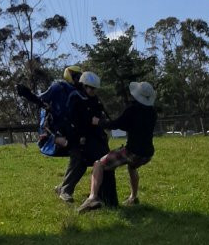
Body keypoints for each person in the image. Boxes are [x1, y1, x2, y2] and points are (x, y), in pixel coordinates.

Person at [78, 81, 158, 212]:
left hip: (132, 152)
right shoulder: (152, 112)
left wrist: (99, 122)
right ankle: (133, 197)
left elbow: (116, 124)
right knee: (132, 167)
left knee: (98, 164)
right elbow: (130, 126)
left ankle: (93, 197)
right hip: (147, 154)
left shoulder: (132, 109)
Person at [58, 71, 118, 206]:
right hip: (76, 136)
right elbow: (72, 118)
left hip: (94, 137)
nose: (92, 90)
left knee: (101, 163)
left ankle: (106, 198)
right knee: (78, 162)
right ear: (84, 86)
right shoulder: (75, 97)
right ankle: (65, 190)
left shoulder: (94, 99)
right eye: (90, 88)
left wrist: (99, 123)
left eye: (94, 88)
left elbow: (100, 117)